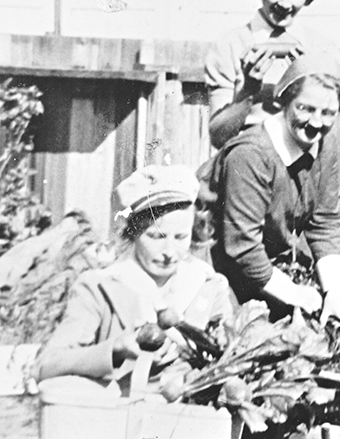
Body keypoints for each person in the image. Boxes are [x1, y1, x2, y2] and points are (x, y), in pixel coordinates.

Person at [34, 165, 236, 389]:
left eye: (181, 237)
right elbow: (47, 365)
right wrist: (115, 348)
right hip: (117, 414)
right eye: (156, 237)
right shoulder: (100, 286)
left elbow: (232, 355)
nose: (169, 251)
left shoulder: (208, 285)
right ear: (133, 232)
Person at [207, 50, 340, 325]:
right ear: (284, 103)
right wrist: (294, 294)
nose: (316, 122)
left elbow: (323, 223)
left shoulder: (325, 146)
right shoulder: (252, 155)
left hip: (258, 270)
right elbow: (241, 247)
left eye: (328, 113)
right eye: (305, 108)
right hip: (214, 269)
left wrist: (334, 293)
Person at [204, 0, 340, 149]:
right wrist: (246, 93)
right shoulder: (228, 45)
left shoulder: (324, 49)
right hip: (247, 160)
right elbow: (218, 137)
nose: (285, 4)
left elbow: (330, 133)